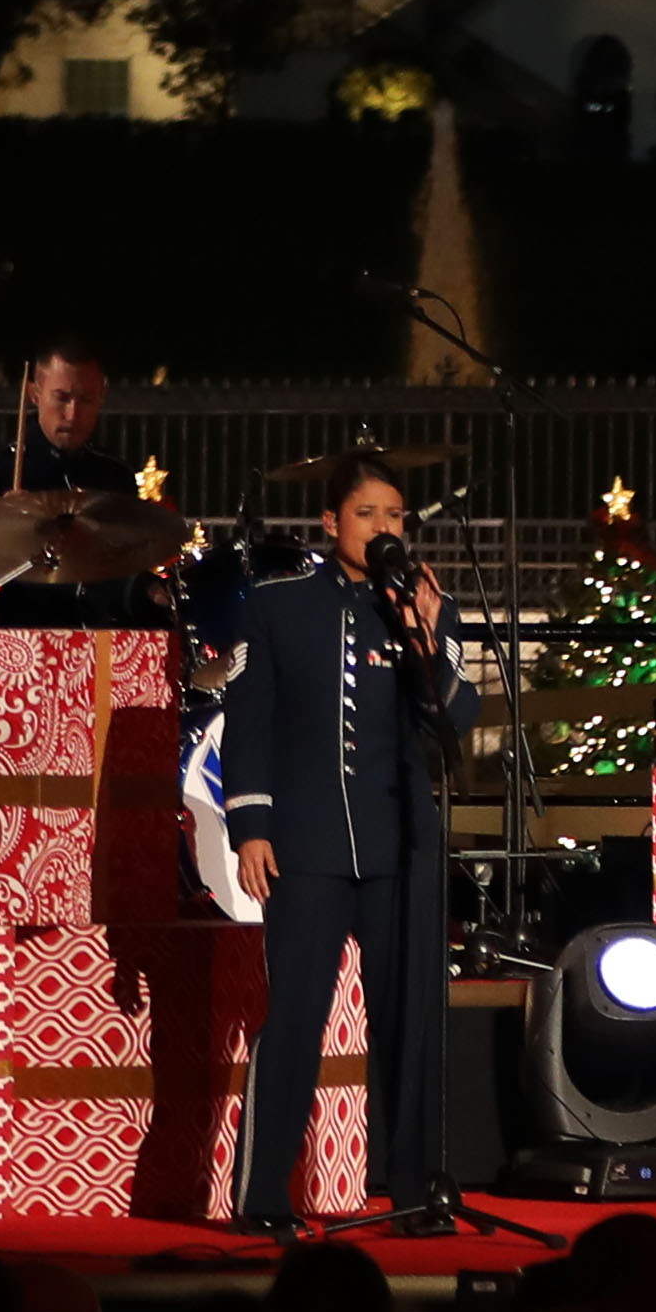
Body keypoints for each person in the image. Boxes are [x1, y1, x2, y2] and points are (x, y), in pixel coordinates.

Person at [209, 449, 472, 1232]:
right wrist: (251, 826)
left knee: (410, 1019)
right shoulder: (278, 603)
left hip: (403, 847)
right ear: (331, 523)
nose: (385, 527)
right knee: (294, 1017)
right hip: (306, 842)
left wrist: (428, 637)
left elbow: (454, 723)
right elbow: (247, 728)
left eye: (395, 515)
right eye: (368, 514)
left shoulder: (427, 604)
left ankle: (417, 1194)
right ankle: (260, 1202)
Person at [0, 339, 171, 625]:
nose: (72, 414)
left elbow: (117, 577)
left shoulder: (116, 477)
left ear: (103, 395)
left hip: (96, 651)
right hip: (13, 648)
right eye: (61, 398)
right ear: (34, 393)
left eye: (85, 399)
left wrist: (146, 590)